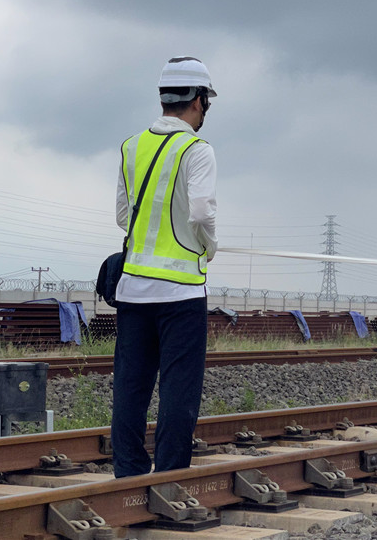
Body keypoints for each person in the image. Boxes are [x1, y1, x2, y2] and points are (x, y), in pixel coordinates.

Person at [111, 56, 218, 477]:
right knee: (178, 389)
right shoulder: (197, 149)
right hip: (180, 293)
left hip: (133, 289)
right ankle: (171, 475)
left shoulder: (131, 146)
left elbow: (124, 217)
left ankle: (129, 476)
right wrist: (208, 247)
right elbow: (201, 211)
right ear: (197, 100)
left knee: (131, 388)